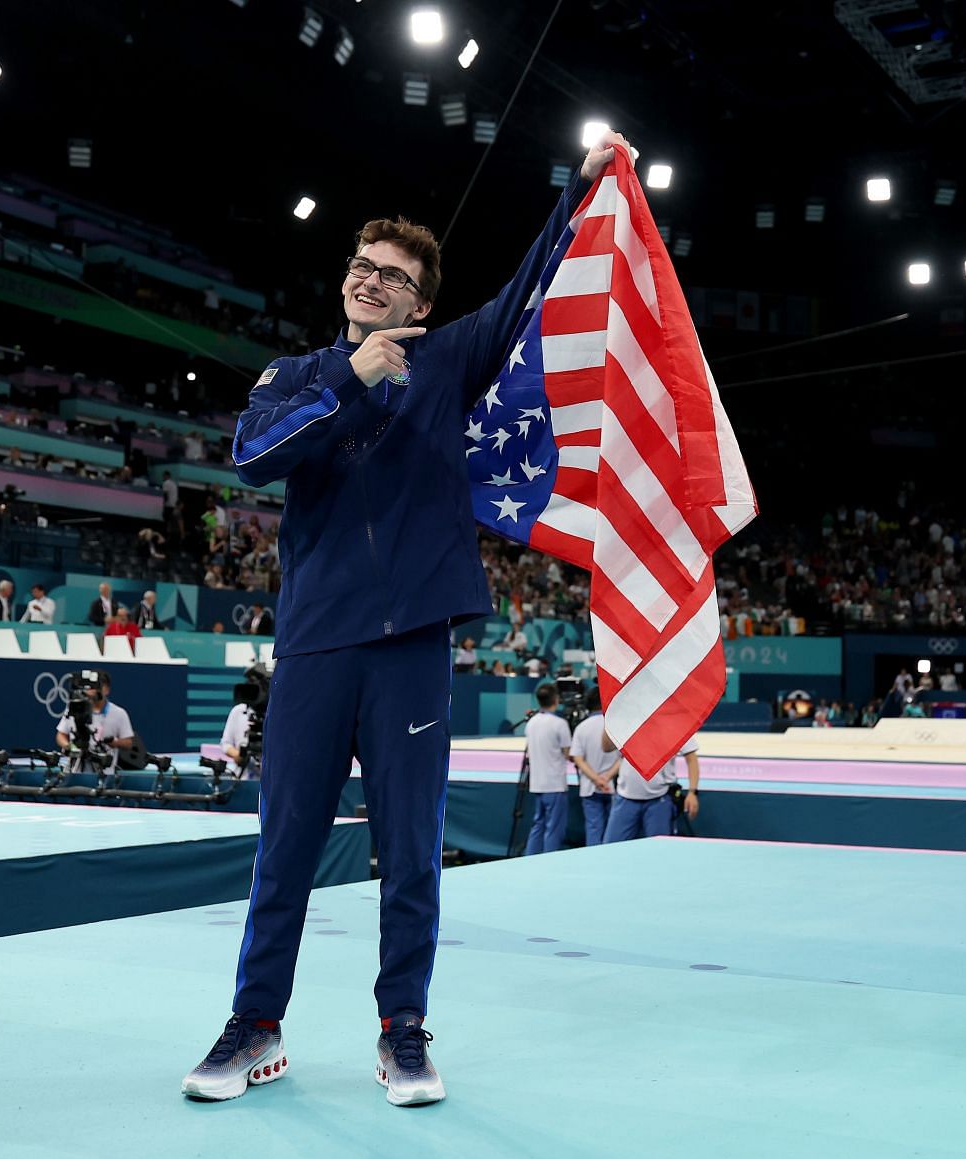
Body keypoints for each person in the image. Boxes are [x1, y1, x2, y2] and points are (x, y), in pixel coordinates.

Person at [181, 128, 635, 1107]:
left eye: (392, 275)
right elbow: (255, 459)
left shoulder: (451, 360)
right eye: (361, 266)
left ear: (422, 301)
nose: (370, 280)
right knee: (286, 846)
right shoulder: (296, 376)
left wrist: (580, 189)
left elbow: (529, 292)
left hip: (411, 648)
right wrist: (354, 377)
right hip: (311, 644)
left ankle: (404, 1032)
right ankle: (255, 1024)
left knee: (411, 850)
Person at [601, 730, 700, 843]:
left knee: (658, 851)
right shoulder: (627, 720)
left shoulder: (673, 722)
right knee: (611, 847)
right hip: (625, 798)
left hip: (658, 800)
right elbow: (606, 748)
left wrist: (692, 792)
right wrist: (608, 720)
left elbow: (691, 758)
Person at [523, 684, 573, 855]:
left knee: (538, 824)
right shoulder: (560, 724)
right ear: (556, 700)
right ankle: (550, 860)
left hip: (537, 783)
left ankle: (530, 858)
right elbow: (568, 753)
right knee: (554, 828)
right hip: (555, 784)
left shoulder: (531, 723)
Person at [570, 686, 620, 846]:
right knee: (613, 832)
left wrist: (596, 779)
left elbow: (577, 758)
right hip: (611, 785)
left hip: (590, 786)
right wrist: (607, 777)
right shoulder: (614, 725)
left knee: (594, 830)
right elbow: (624, 757)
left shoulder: (581, 728)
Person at [54, 670, 136, 767]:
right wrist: (69, 747)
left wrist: (115, 742)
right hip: (74, 769)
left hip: (104, 770)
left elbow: (129, 743)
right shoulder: (75, 708)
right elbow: (60, 735)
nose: (93, 690)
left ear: (107, 689)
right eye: (90, 686)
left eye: (98, 686)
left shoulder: (119, 713)